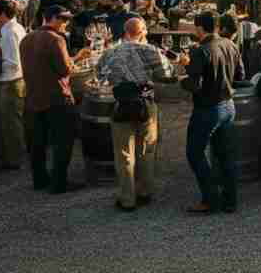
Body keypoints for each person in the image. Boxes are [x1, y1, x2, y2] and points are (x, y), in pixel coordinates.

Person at [97, 17, 176, 211]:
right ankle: (145, 191)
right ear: (142, 32)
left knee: (124, 153)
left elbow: (99, 75)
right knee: (146, 149)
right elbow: (167, 74)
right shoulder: (150, 50)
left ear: (125, 32)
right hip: (145, 103)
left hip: (121, 104)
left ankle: (127, 199)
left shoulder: (110, 52)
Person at [20, 4, 92, 194]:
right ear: (53, 18)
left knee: (37, 143)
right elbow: (65, 69)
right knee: (63, 141)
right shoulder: (56, 39)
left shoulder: (26, 39)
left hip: (33, 97)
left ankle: (40, 179)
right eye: (64, 19)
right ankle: (59, 182)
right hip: (57, 98)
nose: (66, 24)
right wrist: (78, 57)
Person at [180, 11, 243, 215]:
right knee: (225, 155)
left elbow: (194, 85)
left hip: (208, 109)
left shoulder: (201, 51)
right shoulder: (230, 44)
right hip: (228, 106)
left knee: (194, 152)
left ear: (199, 28)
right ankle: (230, 200)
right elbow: (240, 74)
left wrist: (183, 74)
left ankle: (210, 198)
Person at [0, 0, 26, 171]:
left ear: (2, 13)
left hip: (12, 80)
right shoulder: (17, 27)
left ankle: (13, 160)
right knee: (15, 121)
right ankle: (15, 156)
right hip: (18, 79)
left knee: (11, 123)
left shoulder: (9, 32)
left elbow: (13, 62)